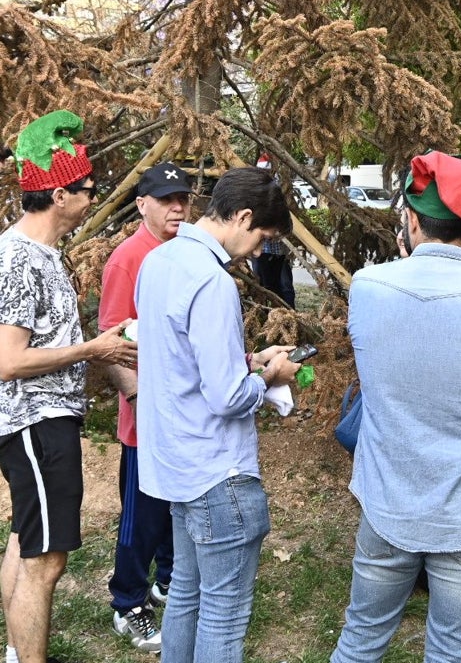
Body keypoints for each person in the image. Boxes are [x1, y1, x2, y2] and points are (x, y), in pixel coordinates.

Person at [330, 150, 461, 663]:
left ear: (412, 219)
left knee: (360, 640)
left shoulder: (369, 286)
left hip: (388, 499)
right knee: (451, 650)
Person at [134, 166, 302, 663]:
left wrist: (246, 362)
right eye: (262, 239)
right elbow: (227, 398)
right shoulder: (213, 281)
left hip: (176, 463)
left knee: (185, 591)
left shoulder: (158, 262)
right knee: (224, 613)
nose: (257, 252)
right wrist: (270, 376)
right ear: (244, 217)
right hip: (217, 472)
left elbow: (177, 358)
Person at [0, 110, 137, 663]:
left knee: (23, 542)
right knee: (47, 560)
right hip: (35, 420)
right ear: (59, 194)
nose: (91, 195)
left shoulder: (39, 254)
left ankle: (15, 651)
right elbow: (7, 360)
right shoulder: (17, 260)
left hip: (42, 419)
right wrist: (91, 350)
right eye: (87, 188)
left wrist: (96, 341)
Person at [98, 161, 193, 653]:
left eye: (183, 199)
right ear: (142, 204)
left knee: (175, 507)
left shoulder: (186, 253)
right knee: (142, 516)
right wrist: (137, 399)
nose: (177, 207)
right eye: (165, 199)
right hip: (146, 422)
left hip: (183, 417)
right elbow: (110, 340)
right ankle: (128, 599)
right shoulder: (128, 259)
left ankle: (169, 579)